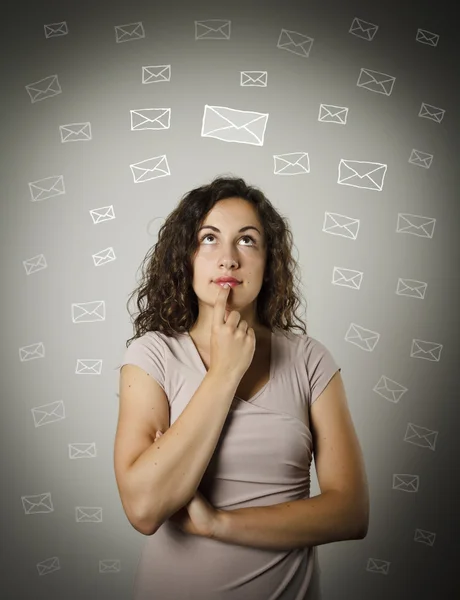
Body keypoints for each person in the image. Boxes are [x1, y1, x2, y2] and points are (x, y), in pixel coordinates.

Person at [114, 176, 370, 600]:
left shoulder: (310, 359)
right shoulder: (151, 356)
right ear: (186, 257)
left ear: (269, 262)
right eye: (209, 238)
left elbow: (351, 513)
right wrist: (225, 372)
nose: (228, 259)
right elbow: (143, 508)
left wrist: (218, 523)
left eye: (247, 241)